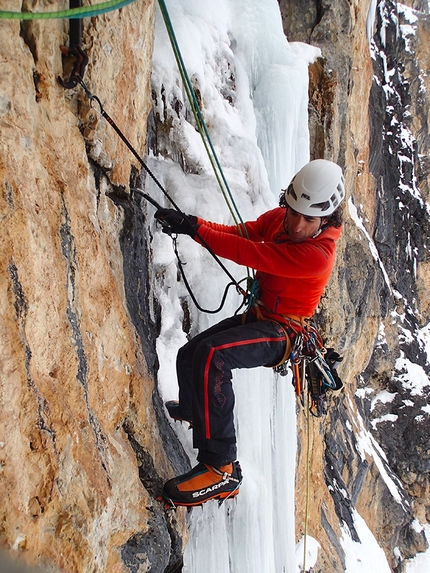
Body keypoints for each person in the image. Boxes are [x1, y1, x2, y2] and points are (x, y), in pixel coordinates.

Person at [154, 159, 345, 507]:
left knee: (214, 356)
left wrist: (193, 230)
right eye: (294, 212)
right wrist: (194, 224)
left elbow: (252, 253)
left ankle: (222, 469)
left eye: (309, 219)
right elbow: (243, 234)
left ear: (326, 221)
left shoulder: (319, 254)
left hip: (284, 330)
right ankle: (200, 412)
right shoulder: (281, 218)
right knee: (190, 354)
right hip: (261, 315)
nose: (298, 224)